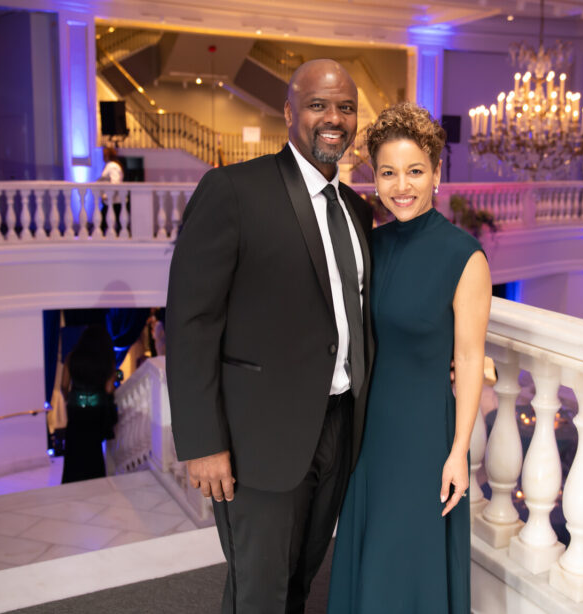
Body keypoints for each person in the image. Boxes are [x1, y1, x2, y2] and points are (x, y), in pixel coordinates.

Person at [165, 59, 373, 613]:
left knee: (300, 580)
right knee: (260, 592)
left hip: (337, 430)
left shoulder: (357, 210)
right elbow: (190, 320)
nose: (334, 118)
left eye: (346, 107)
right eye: (318, 105)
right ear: (289, 112)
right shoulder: (233, 190)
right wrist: (203, 441)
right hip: (257, 439)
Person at [328, 102, 492, 614]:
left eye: (415, 171)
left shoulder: (464, 257)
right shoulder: (368, 245)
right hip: (367, 435)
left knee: (403, 568)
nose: (402, 186)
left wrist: (458, 452)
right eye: (389, 172)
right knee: (369, 559)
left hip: (423, 442)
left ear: (436, 174)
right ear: (375, 178)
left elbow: (470, 359)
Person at [60, 324, 118, 484]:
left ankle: (71, 481)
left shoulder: (72, 357)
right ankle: (94, 482)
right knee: (93, 448)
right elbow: (108, 389)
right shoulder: (107, 360)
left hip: (75, 408)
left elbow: (64, 386)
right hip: (96, 409)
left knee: (74, 445)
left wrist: (70, 398)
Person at [98, 146, 124, 235]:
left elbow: (115, 182)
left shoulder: (112, 167)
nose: (103, 157)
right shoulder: (110, 166)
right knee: (111, 220)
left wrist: (107, 196)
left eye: (104, 155)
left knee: (103, 220)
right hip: (111, 200)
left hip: (113, 200)